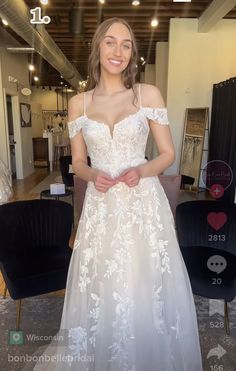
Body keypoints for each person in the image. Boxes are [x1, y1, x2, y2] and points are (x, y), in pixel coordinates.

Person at [30, 17, 203, 371]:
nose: (118, 51)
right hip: (101, 202)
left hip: (142, 201)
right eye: (110, 42)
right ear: (98, 47)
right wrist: (94, 174)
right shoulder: (79, 103)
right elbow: (78, 162)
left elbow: (168, 154)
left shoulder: (147, 94)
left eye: (126, 45)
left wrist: (141, 170)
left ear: (133, 53)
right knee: (102, 279)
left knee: (143, 278)